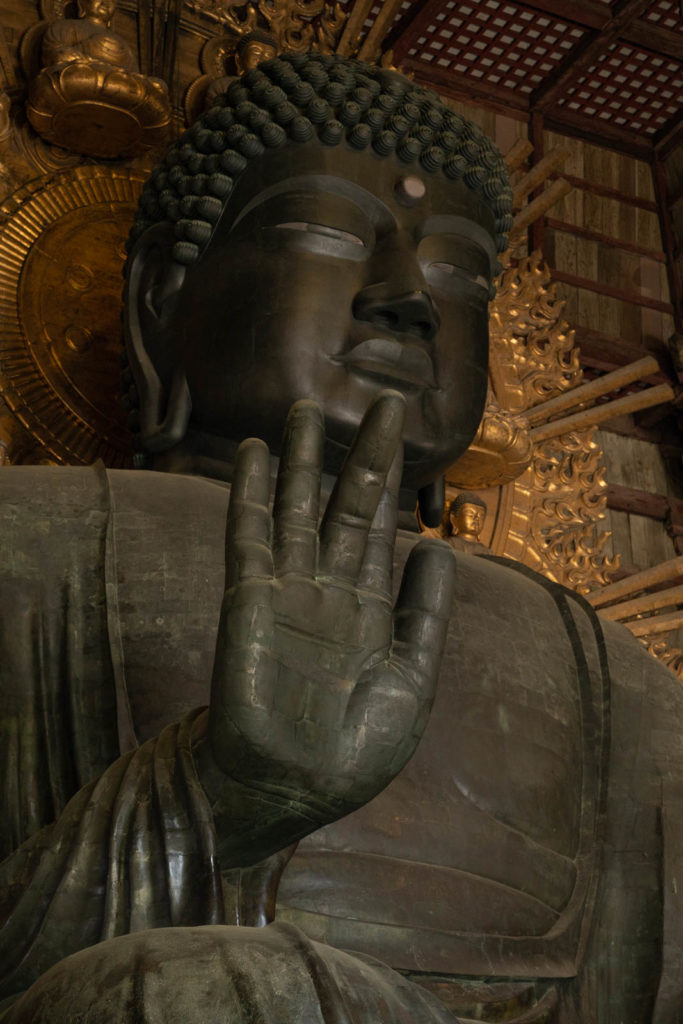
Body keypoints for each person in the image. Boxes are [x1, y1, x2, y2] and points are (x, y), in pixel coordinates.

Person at [1, 52, 682, 1023]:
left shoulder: (601, 673)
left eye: (457, 272)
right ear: (159, 300)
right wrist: (209, 799)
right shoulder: (26, 541)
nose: (407, 296)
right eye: (323, 229)